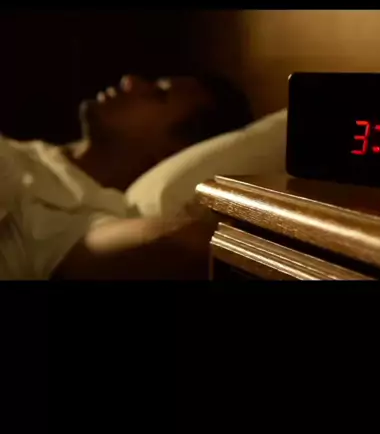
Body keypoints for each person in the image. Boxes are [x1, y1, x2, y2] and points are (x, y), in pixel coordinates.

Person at [0, 72, 253, 280]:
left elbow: (186, 243)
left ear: (172, 150)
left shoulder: (79, 208)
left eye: (158, 94)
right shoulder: (34, 153)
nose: (130, 80)